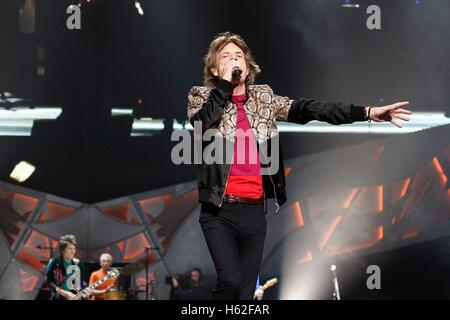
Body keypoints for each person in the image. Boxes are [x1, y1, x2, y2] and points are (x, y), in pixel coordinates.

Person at [187, 32, 412, 300]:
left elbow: (312, 109)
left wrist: (366, 113)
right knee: (231, 281)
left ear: (247, 65)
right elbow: (202, 123)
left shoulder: (264, 98)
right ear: (214, 68)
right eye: (226, 56)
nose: (234, 60)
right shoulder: (201, 95)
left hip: (254, 210)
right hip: (218, 210)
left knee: (246, 293)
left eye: (239, 55)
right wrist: (224, 86)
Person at [46, 234, 91, 300]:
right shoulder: (54, 262)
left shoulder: (78, 263)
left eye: (74, 249)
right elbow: (49, 281)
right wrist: (64, 293)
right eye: (70, 249)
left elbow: (82, 283)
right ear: (62, 250)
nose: (73, 251)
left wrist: (85, 290)